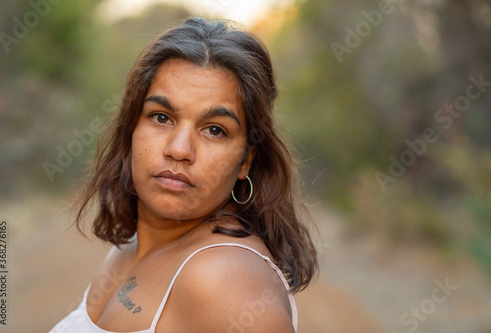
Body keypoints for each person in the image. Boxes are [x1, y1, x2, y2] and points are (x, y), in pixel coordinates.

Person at [50, 17, 317, 333]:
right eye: (161, 117)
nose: (179, 149)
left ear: (246, 160)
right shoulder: (134, 242)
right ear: (132, 128)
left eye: (214, 130)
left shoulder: (226, 283)